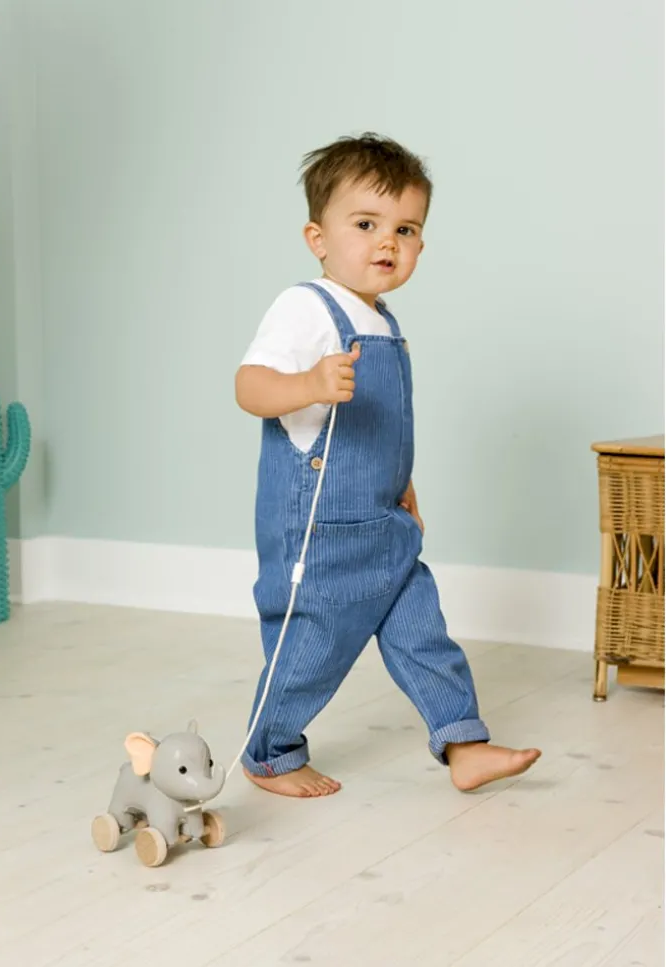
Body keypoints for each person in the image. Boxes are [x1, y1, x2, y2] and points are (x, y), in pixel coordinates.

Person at [234, 133, 541, 798]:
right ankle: (269, 754)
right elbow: (250, 387)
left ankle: (464, 742)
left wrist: (404, 486)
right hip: (320, 533)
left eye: (406, 229)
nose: (388, 243)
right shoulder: (305, 308)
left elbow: (382, 428)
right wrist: (309, 384)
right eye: (366, 224)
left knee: (423, 633)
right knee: (310, 646)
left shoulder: (381, 320)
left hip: (383, 520)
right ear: (318, 238)